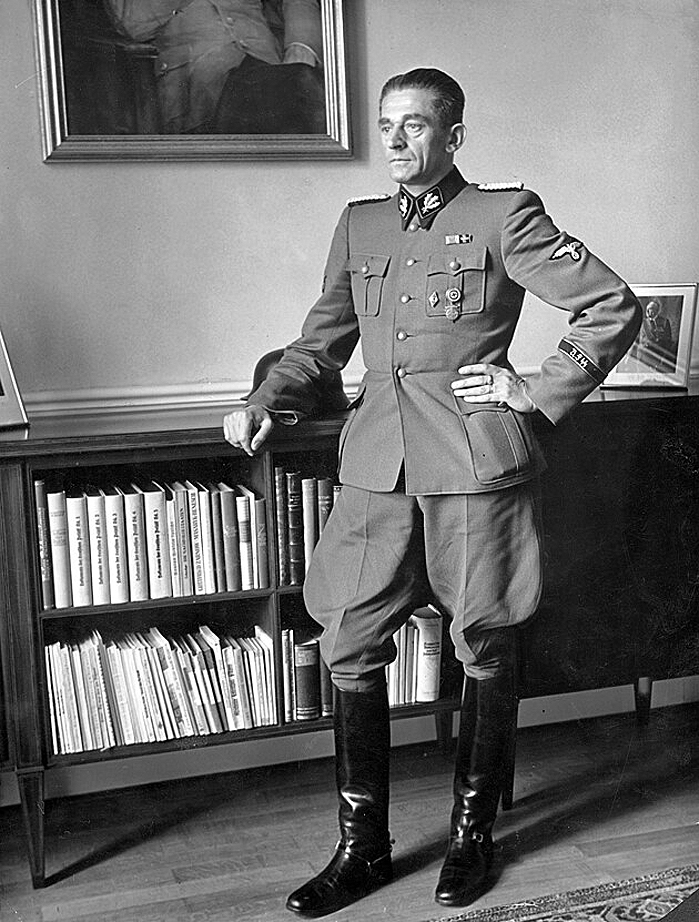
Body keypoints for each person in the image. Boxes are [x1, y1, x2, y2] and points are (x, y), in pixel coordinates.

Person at [223, 67, 642, 915]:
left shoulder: (501, 214)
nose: (394, 139)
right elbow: (320, 345)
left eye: (414, 125)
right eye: (386, 124)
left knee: (483, 636)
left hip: (472, 464)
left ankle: (470, 837)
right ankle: (361, 848)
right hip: (376, 465)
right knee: (347, 636)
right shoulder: (361, 224)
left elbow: (609, 305)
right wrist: (265, 399)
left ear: (453, 136)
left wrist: (537, 389)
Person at [103, 0, 322, 133]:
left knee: (309, 94)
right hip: (198, 84)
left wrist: (301, 46)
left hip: (270, 67)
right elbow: (130, 22)